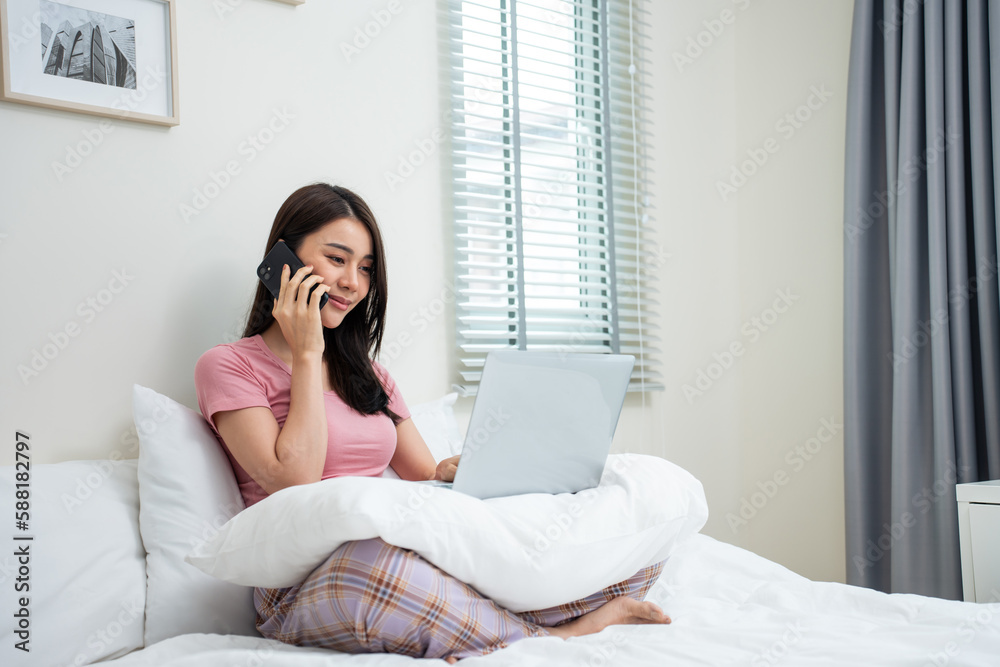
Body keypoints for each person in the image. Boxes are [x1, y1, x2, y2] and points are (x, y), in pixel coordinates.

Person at [194, 183, 671, 662]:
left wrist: (472, 472)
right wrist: (307, 351)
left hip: (402, 556)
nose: (353, 284)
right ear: (284, 261)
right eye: (337, 260)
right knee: (376, 568)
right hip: (306, 587)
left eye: (365, 269)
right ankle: (561, 635)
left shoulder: (370, 375)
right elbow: (294, 481)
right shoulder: (228, 366)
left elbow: (424, 476)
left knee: (639, 544)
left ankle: (482, 625)